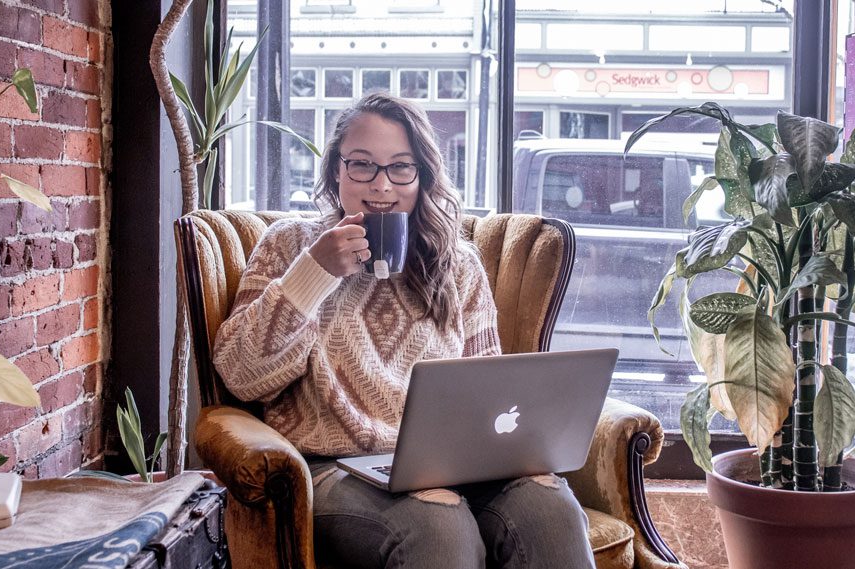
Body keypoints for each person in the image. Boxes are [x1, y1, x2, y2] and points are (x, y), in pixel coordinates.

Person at [212, 93, 595, 569]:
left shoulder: (458, 264)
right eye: (362, 166)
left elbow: (489, 386)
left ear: (422, 176)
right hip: (335, 467)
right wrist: (315, 273)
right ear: (336, 170)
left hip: (454, 464)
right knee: (437, 526)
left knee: (551, 508)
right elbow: (241, 374)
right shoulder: (290, 245)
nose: (382, 186)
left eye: (400, 168)